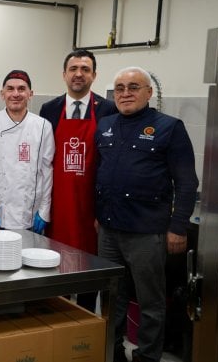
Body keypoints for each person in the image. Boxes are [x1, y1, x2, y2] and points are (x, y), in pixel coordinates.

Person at [95, 66, 198, 362]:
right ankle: (110, 352)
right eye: (120, 88)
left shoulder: (169, 127)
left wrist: (178, 227)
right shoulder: (106, 124)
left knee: (150, 302)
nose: (125, 93)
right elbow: (100, 174)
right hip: (109, 230)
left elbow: (187, 182)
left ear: (149, 93)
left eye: (133, 87)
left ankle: (147, 357)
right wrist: (97, 214)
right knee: (113, 298)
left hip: (146, 232)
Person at [39, 49, 117, 311]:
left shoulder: (108, 110)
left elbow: (111, 162)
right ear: (64, 74)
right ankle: (55, 317)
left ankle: (83, 319)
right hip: (57, 204)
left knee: (87, 267)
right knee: (53, 265)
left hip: (90, 207)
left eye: (85, 69)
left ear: (94, 75)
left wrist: (103, 209)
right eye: (73, 69)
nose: (78, 74)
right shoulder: (49, 109)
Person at [0, 70, 54, 231]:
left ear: (30, 94)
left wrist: (44, 210)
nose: (16, 94)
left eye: (21, 89)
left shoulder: (42, 126)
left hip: (30, 213)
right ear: (2, 94)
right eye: (10, 89)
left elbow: (46, 171)